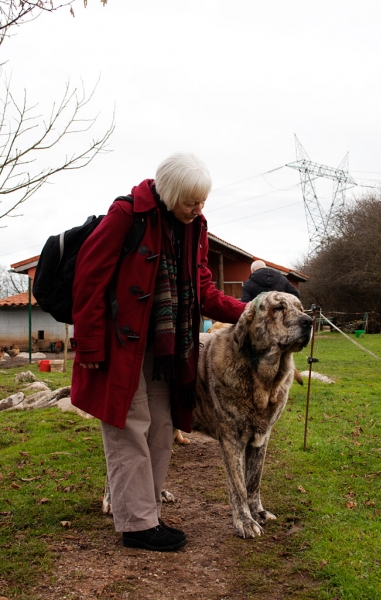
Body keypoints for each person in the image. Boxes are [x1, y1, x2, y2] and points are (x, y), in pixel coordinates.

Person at [70, 152, 247, 552]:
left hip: (168, 347)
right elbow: (88, 282)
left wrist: (247, 312)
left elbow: (203, 289)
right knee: (129, 427)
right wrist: (90, 346)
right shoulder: (126, 215)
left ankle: (144, 511)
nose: (198, 209)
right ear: (168, 193)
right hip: (121, 345)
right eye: (190, 201)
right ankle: (136, 526)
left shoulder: (195, 226)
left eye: (202, 201)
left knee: (163, 426)